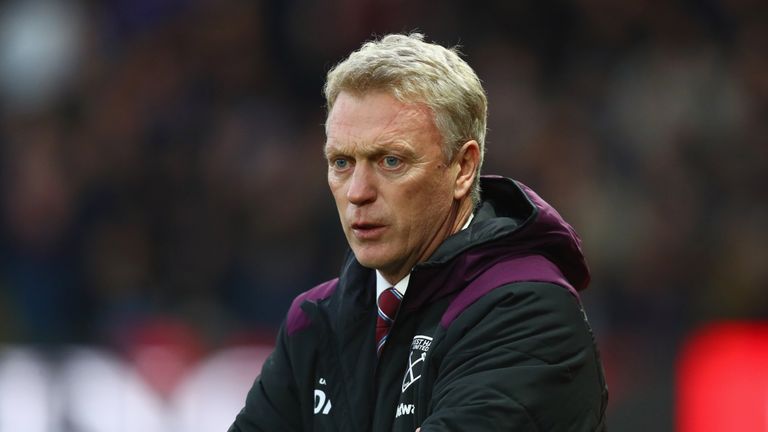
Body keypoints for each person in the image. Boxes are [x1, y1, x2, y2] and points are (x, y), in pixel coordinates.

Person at [229, 33, 608, 432]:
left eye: (390, 161)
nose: (358, 192)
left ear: (462, 168)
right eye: (341, 162)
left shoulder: (529, 314)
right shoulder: (314, 323)